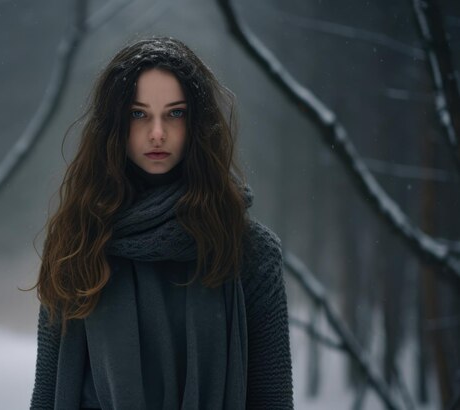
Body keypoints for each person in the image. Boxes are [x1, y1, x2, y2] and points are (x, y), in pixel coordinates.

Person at [30, 36, 293, 410]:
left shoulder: (250, 251)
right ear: (115, 126)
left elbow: (272, 401)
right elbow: (47, 396)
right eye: (139, 114)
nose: (157, 133)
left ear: (197, 124)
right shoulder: (77, 243)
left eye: (174, 113)